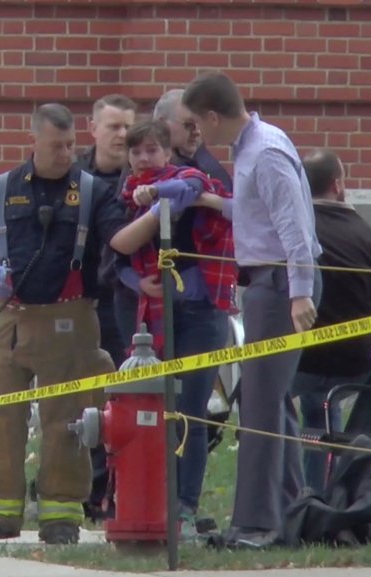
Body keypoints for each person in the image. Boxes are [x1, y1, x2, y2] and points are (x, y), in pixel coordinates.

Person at [0, 103, 123, 544]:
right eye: (56, 146)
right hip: (8, 317)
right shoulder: (0, 190)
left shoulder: (92, 192)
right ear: (34, 142)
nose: (67, 153)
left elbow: (118, 241)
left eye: (72, 145)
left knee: (67, 420)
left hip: (70, 316)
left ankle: (60, 514)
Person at [183, 71, 322, 546]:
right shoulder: (252, 148)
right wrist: (208, 201)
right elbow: (256, 212)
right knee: (274, 401)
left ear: (213, 116)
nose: (199, 137)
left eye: (198, 126)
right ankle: (286, 510)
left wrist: (299, 291)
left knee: (259, 405)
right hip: (267, 282)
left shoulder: (264, 153)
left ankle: (257, 524)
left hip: (280, 283)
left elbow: (294, 225)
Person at [108, 120, 235, 538]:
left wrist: (158, 194)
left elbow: (192, 188)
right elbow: (114, 255)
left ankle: (184, 506)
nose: (144, 159)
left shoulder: (188, 180)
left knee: (191, 414)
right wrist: (136, 282)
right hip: (149, 317)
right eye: (137, 152)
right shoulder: (121, 198)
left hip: (202, 311)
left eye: (152, 150)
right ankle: (147, 499)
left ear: (167, 152)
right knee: (150, 413)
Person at [292, 149, 371, 492]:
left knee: (293, 401)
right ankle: (327, 490)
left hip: (304, 358)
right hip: (355, 360)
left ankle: (304, 492)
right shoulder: (365, 232)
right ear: (338, 185)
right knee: (323, 407)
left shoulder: (297, 230)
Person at [75, 93, 135, 522]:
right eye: (114, 126)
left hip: (122, 302)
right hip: (77, 302)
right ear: (93, 128)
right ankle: (74, 483)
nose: (122, 135)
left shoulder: (142, 179)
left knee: (117, 393)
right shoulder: (73, 176)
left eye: (128, 127)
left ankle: (108, 487)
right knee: (78, 396)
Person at [152, 89, 232, 191]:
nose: (197, 132)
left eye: (198, 123)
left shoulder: (211, 172)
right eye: (189, 125)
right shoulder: (139, 162)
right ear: (162, 124)